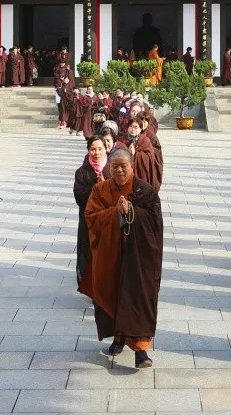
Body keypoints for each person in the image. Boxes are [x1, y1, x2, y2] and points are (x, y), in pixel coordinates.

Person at [83, 147, 163, 368]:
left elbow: (155, 223)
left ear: (132, 167)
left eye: (123, 166)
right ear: (109, 167)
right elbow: (90, 217)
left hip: (138, 258)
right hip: (110, 255)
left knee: (136, 300)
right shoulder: (100, 190)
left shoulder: (144, 191)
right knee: (112, 295)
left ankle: (141, 352)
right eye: (115, 166)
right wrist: (114, 213)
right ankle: (118, 337)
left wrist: (131, 213)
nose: (119, 170)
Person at [74, 136, 110, 293]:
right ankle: (93, 287)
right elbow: (79, 197)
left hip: (110, 220)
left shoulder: (112, 169)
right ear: (88, 150)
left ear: (106, 149)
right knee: (89, 254)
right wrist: (96, 189)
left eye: (100, 149)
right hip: (89, 221)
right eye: (93, 149)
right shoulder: (82, 172)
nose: (96, 153)